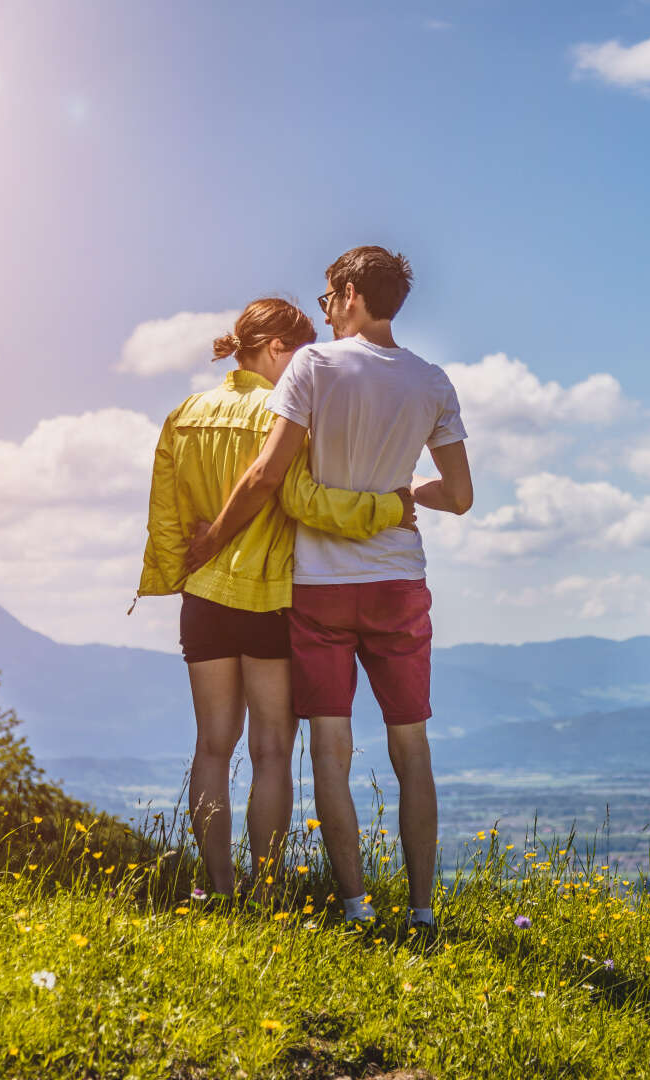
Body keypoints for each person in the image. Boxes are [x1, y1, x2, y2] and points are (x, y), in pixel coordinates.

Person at [186, 246, 471, 934]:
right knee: (412, 750)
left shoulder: (313, 366)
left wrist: (210, 542)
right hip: (399, 580)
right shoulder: (432, 381)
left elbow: (265, 474)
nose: (326, 310)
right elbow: (458, 496)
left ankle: (356, 906)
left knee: (330, 754)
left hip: (320, 586)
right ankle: (425, 912)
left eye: (326, 299)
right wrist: (401, 494)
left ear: (347, 294)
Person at [136, 296, 416, 900]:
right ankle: (265, 895)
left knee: (211, 746)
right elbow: (303, 500)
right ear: (275, 349)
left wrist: (175, 571)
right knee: (270, 752)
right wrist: (391, 506)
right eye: (300, 350)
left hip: (204, 596)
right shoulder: (287, 415)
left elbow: (166, 515)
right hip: (271, 595)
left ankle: (217, 887)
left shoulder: (184, 414)